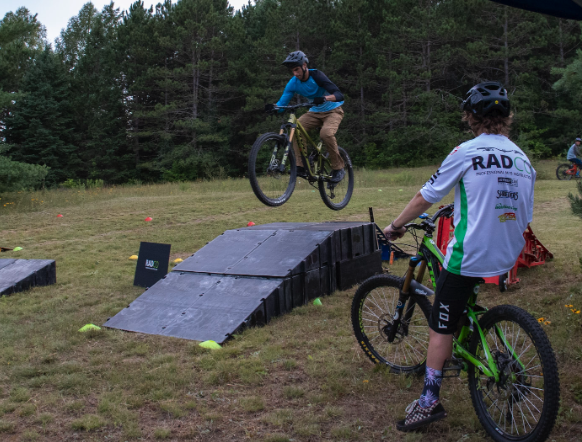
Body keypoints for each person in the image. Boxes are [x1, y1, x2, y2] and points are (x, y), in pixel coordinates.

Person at [383, 82, 536, 431]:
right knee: (462, 298)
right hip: (508, 253)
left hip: (472, 255)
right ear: (506, 118)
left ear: (470, 117)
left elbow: (427, 196)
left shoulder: (467, 151)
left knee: (441, 322)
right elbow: (522, 208)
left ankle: (428, 401)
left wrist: (396, 225)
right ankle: (471, 330)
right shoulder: (522, 157)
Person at [265, 51, 346, 183]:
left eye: (297, 69)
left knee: (325, 134)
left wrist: (325, 98)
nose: (295, 73)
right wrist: (274, 108)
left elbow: (339, 95)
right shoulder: (293, 83)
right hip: (314, 112)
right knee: (295, 128)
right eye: (292, 71)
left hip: (333, 110)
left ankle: (338, 168)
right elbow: (282, 104)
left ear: (304, 66)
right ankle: (301, 166)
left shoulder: (317, 76)